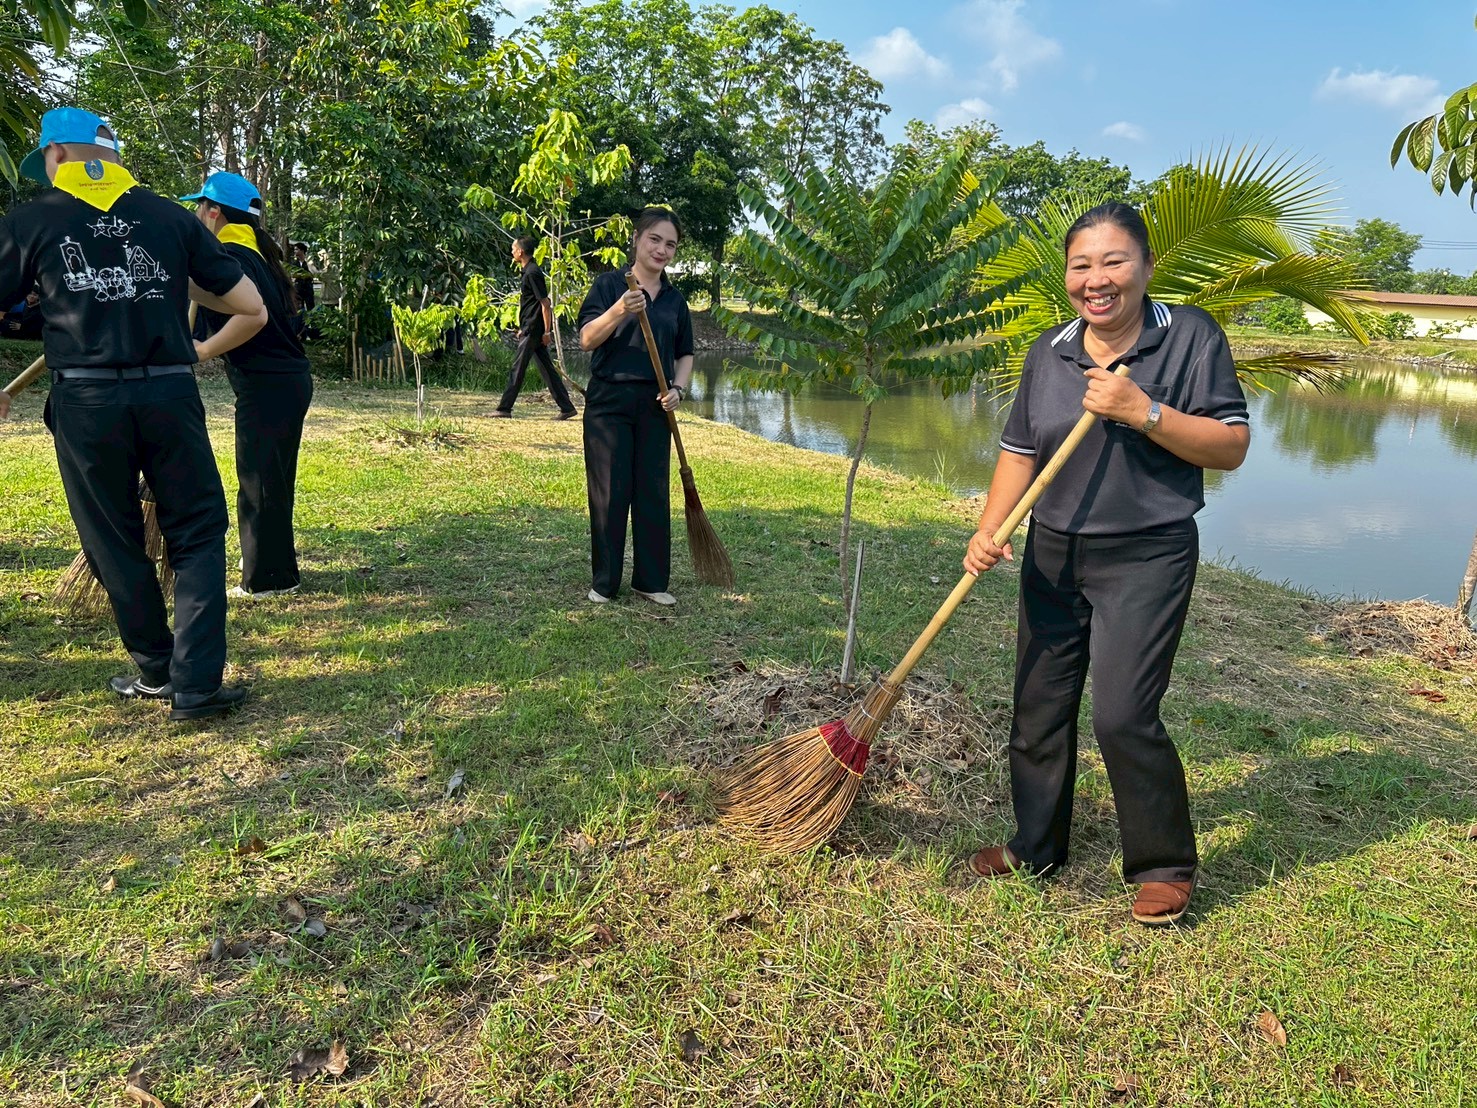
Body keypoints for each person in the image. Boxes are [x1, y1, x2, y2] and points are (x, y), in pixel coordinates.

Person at [962, 201, 1250, 927]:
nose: (1096, 279)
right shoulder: (1049, 350)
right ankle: (1035, 846)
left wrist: (1140, 409)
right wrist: (989, 527)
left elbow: (1229, 445)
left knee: (1122, 714)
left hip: (1146, 552)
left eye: (1113, 261)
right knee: (1037, 708)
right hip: (1052, 550)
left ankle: (1161, 865)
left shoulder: (1188, 337)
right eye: (1080, 264)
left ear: (1147, 267)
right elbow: (1019, 451)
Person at [0, 107, 267, 720]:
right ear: (112, 156)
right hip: (169, 394)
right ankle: (196, 685)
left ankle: (155, 667)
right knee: (197, 531)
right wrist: (191, 336)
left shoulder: (31, 220)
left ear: (57, 155)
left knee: (111, 535)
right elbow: (251, 307)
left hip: (86, 401)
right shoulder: (171, 218)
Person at [182, 172, 314, 600]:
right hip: (285, 382)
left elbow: (248, 319)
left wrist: (201, 351)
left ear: (215, 211)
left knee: (259, 481)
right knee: (271, 479)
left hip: (268, 385)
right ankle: (270, 565)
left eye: (200, 207)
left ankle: (267, 580)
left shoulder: (232, 259)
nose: (197, 215)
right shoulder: (257, 256)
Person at [576, 207, 693, 605]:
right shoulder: (610, 285)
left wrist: (678, 389)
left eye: (670, 244)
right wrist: (621, 308)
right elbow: (587, 339)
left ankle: (651, 581)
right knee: (610, 491)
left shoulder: (676, 301)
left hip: (656, 404)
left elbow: (685, 353)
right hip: (609, 401)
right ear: (638, 239)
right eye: (655, 239)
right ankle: (605, 582)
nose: (662, 249)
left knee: (652, 492)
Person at [491, 235, 577, 420]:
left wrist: (547, 332)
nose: (512, 252)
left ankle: (504, 408)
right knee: (547, 370)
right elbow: (531, 305)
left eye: (513, 249)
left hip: (535, 331)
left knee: (518, 368)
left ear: (521, 251)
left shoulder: (532, 273)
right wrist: (524, 326)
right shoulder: (528, 271)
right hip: (530, 328)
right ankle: (567, 407)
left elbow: (545, 304)